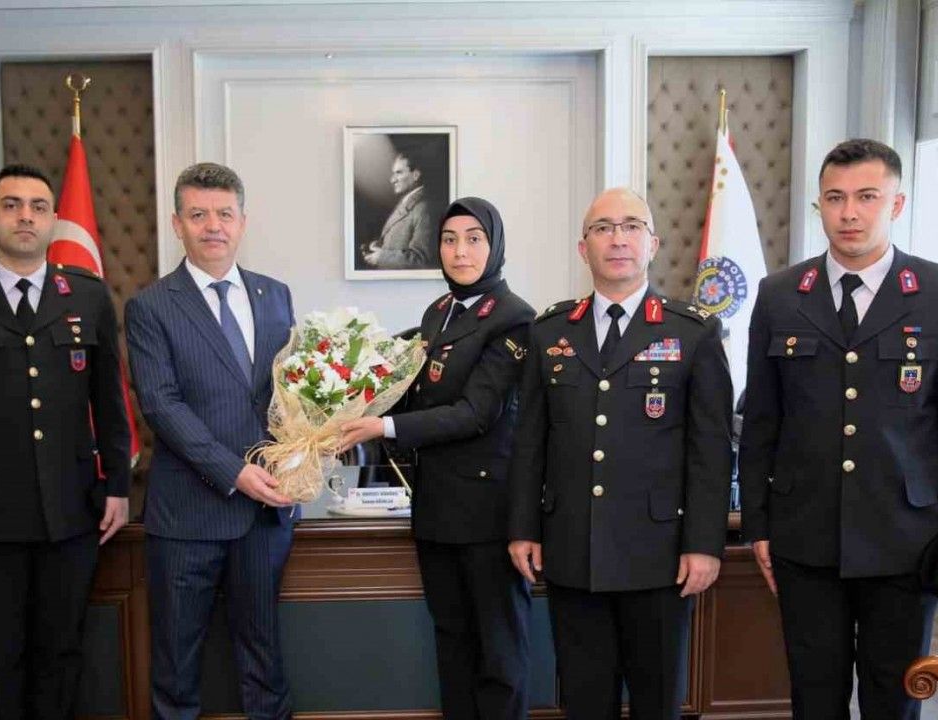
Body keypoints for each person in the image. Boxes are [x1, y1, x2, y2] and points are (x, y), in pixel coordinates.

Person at [508, 188, 733, 720]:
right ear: (583, 249)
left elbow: (710, 449)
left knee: (657, 702)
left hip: (660, 556)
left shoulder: (693, 332)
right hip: (573, 550)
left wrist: (705, 543)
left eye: (631, 226)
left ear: (652, 244)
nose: (617, 239)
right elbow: (530, 441)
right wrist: (523, 528)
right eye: (602, 228)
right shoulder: (550, 332)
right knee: (585, 701)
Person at [0, 164, 131, 720]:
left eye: (38, 206)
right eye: (11, 205)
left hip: (72, 508)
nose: (25, 216)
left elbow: (110, 401)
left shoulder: (86, 295)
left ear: (54, 219)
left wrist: (117, 485)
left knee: (61, 651)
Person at [738, 139, 938, 720]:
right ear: (819, 205)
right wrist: (758, 526)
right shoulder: (780, 295)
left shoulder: (932, 293)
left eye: (866, 197)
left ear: (896, 205)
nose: (849, 213)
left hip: (907, 542)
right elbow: (762, 423)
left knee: (893, 699)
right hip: (805, 539)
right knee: (814, 697)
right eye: (834, 198)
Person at [340, 197, 536, 719]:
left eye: (473, 239)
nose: (460, 251)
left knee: (498, 652)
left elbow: (476, 413)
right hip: (436, 510)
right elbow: (415, 393)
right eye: (449, 240)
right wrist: (346, 397)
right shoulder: (438, 311)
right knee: (452, 644)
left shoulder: (514, 318)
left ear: (494, 246)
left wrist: (383, 426)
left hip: (489, 516)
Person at [125, 162, 297, 720]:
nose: (213, 226)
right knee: (176, 670)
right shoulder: (151, 306)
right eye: (198, 215)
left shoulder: (276, 295)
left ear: (243, 221)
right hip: (187, 518)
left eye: (224, 214)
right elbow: (161, 405)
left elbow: (291, 394)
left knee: (265, 663)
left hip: (265, 516)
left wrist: (307, 452)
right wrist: (234, 471)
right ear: (178, 224)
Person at [363, 148, 437, 270]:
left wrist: (381, 257)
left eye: (399, 173)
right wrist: (380, 247)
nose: (392, 180)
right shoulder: (407, 202)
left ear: (416, 175)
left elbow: (420, 260)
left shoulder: (424, 209)